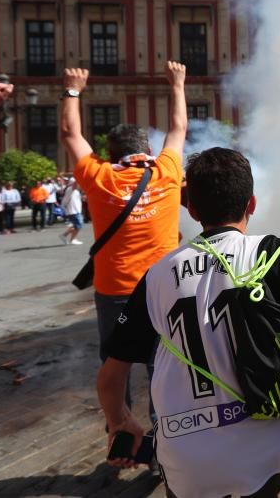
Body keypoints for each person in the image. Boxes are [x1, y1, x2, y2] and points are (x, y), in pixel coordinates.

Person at [96, 147, 280, 498]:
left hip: (183, 462)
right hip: (258, 455)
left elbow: (110, 380)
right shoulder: (267, 251)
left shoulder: (155, 276)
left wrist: (120, 422)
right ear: (252, 204)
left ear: (192, 209)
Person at [61, 62, 187, 412]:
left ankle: (119, 430)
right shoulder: (167, 171)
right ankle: (164, 436)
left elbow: (71, 134)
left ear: (111, 152)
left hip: (114, 290)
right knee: (162, 364)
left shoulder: (99, 177)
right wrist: (177, 84)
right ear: (146, 148)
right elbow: (178, 128)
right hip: (161, 288)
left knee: (114, 361)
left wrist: (72, 90)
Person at [59, 179, 84, 245]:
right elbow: (75, 184)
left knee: (76, 225)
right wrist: (78, 176)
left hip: (75, 210)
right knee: (79, 225)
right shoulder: (70, 189)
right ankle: (67, 236)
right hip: (73, 211)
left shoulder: (75, 191)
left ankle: (71, 238)